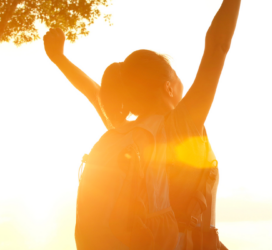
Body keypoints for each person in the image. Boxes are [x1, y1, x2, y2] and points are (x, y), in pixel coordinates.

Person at [44, 0, 241, 249]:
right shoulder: (181, 127)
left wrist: (59, 58)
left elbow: (93, 93)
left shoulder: (126, 130)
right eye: (176, 76)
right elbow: (218, 47)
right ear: (168, 87)